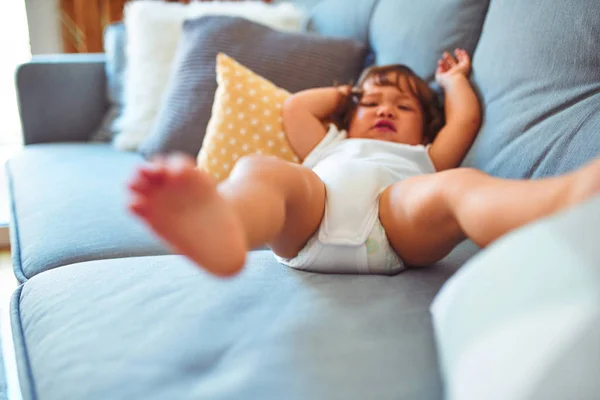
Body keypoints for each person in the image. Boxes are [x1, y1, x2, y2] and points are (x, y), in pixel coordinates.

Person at [127, 49, 600, 277]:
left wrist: (454, 80)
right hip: (309, 221)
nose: (385, 110)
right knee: (263, 171)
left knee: (458, 186)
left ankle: (565, 202)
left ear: (425, 128)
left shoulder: (426, 156)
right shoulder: (329, 143)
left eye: (403, 106)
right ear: (348, 116)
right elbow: (295, 109)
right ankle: (226, 223)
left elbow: (466, 118)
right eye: (371, 103)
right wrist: (342, 95)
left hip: (393, 227)